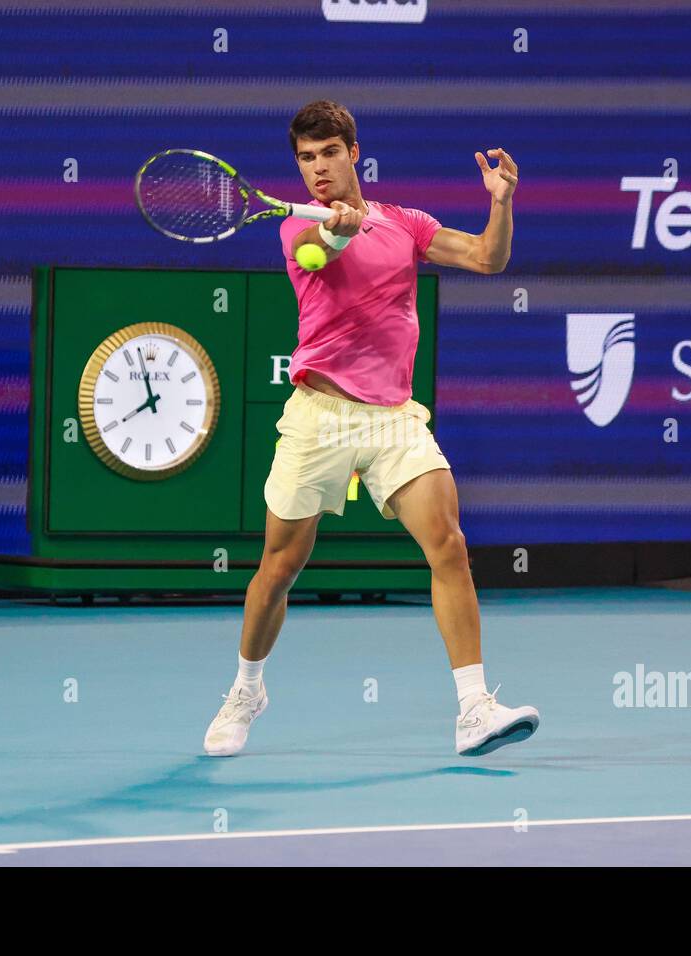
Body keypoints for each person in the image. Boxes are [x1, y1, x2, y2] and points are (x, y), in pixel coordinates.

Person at [204, 100, 537, 757]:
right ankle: (247, 689)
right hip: (320, 416)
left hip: (393, 419)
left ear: (354, 154)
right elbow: (313, 254)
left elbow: (485, 259)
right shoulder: (297, 232)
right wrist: (335, 233)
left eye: (330, 153)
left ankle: (474, 707)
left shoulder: (405, 223)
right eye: (306, 158)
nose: (319, 169)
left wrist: (499, 204)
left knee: (448, 542)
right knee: (279, 566)